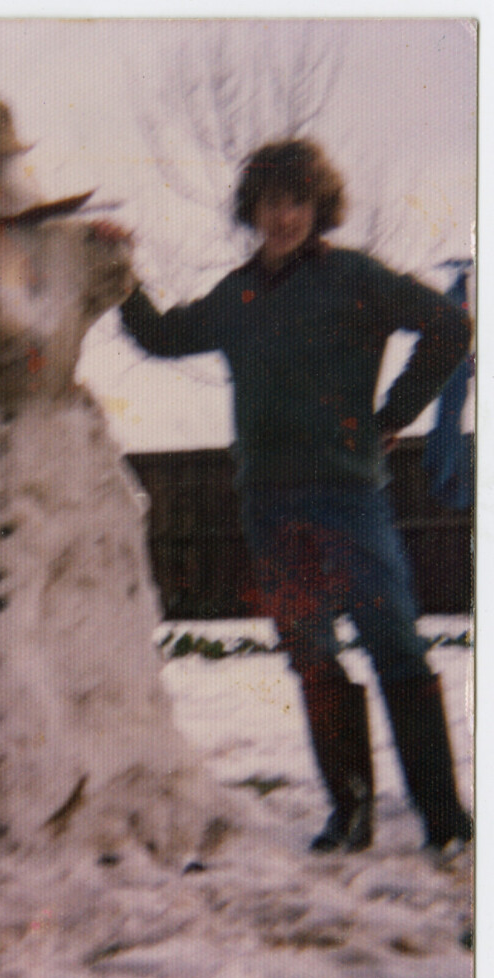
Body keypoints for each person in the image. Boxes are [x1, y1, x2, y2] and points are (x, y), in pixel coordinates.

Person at [118, 138, 472, 856]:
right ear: (253, 210)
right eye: (272, 203)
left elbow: (450, 326)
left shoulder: (354, 277)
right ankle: (350, 813)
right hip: (271, 507)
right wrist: (119, 273)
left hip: (349, 497)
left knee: (395, 643)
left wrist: (393, 416)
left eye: (298, 202)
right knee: (311, 653)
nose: (284, 217)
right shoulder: (236, 295)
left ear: (318, 207)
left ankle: (445, 819)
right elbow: (161, 335)